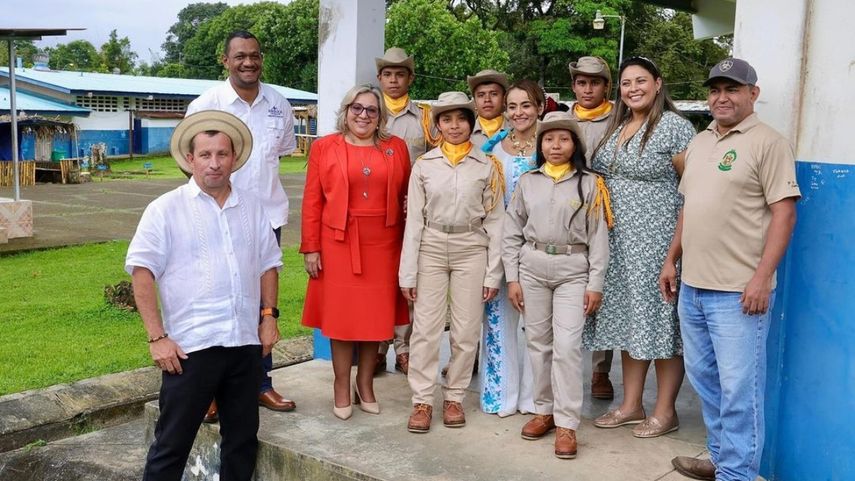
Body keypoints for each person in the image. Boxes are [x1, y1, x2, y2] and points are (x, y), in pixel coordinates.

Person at [663, 58, 799, 481]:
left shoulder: (768, 143)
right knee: (706, 383)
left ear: (752, 94)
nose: (722, 98)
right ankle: (724, 460)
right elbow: (691, 205)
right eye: (716, 90)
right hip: (693, 286)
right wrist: (672, 259)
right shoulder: (702, 142)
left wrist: (761, 278)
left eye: (733, 89)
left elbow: (785, 213)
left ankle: (737, 474)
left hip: (738, 293)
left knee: (740, 391)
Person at [128, 111, 283, 481]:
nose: (214, 163)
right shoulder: (165, 209)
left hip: (244, 344)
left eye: (222, 154)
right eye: (205, 155)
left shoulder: (252, 207)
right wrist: (157, 337)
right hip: (190, 350)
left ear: (234, 158)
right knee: (171, 446)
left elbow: (268, 265)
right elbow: (142, 271)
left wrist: (269, 317)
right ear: (190, 159)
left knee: (243, 442)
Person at [186, 30, 297, 420]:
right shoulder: (206, 105)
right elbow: (193, 163)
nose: (248, 62)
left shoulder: (279, 105)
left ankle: (261, 384)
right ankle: (210, 390)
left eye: (254, 56)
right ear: (225, 60)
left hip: (265, 218)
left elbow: (279, 155)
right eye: (239, 56)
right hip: (216, 218)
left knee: (263, 306)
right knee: (217, 300)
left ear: (261, 58)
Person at [583, 56, 696, 438]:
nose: (633, 88)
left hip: (658, 246)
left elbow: (692, 194)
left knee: (662, 327)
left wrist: (673, 256)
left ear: (658, 84)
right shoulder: (619, 126)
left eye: (641, 81)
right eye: (627, 83)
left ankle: (666, 411)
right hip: (619, 245)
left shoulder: (675, 128)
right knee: (633, 324)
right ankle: (631, 405)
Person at [504, 111, 612, 459]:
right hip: (532, 267)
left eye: (563, 139)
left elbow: (598, 238)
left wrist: (595, 283)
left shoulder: (589, 183)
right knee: (538, 343)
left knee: (567, 346)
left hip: (572, 269)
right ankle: (544, 411)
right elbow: (512, 232)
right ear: (541, 144)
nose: (555, 145)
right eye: (548, 139)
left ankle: (567, 423)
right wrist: (512, 276)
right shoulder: (528, 181)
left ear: (575, 144)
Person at [300, 85, 411, 420]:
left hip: (384, 244)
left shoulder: (397, 148)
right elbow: (312, 201)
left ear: (380, 117)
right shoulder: (324, 147)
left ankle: (365, 384)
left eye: (371, 110)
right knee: (342, 319)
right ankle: (340, 384)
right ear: (345, 111)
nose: (364, 115)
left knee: (375, 320)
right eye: (357, 108)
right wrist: (311, 247)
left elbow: (409, 197)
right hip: (338, 243)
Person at [400, 91, 504, 433]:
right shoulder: (424, 165)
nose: (454, 125)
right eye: (447, 119)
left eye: (461, 118)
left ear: (471, 124)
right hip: (430, 245)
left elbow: (496, 221)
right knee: (426, 330)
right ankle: (422, 400)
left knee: (465, 329)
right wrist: (408, 272)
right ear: (437, 124)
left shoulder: (487, 166)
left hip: (471, 247)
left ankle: (455, 395)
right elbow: (414, 220)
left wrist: (493, 272)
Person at [478, 79, 545, 417]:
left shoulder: (550, 145)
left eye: (526, 105)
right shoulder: (493, 149)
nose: (519, 112)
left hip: (537, 246)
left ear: (540, 107)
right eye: (513, 106)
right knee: (497, 319)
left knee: (536, 324)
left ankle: (536, 398)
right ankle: (500, 395)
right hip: (498, 244)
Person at [374, 47, 440, 375]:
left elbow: (438, 160)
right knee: (380, 280)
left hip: (415, 211)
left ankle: (405, 348)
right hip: (377, 211)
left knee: (411, 279)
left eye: (400, 74)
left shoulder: (425, 118)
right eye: (388, 74)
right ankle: (378, 346)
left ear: (410, 78)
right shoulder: (369, 114)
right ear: (379, 78)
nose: (394, 80)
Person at [568, 55, 617, 400]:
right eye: (582, 82)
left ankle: (601, 368)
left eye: (595, 82)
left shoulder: (618, 119)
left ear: (606, 86)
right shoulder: (561, 119)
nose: (588, 89)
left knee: (602, 288)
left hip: (605, 211)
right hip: (566, 212)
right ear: (574, 86)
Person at [467, 69, 511, 149]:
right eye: (481, 95)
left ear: (504, 99)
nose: (487, 99)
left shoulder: (516, 129)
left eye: (494, 94)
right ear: (474, 101)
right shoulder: (464, 133)